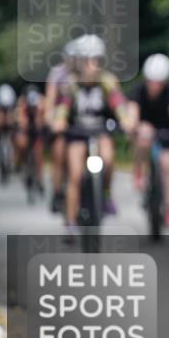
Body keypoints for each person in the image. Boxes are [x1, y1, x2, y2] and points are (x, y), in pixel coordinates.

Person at [51, 34, 134, 235]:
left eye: (96, 60)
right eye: (88, 60)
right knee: (76, 174)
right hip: (77, 133)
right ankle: (71, 221)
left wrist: (125, 120)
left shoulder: (107, 81)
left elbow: (118, 103)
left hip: (100, 130)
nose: (92, 65)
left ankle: (105, 194)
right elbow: (63, 107)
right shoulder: (70, 83)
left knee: (109, 158)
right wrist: (59, 122)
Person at [129, 53, 169, 230]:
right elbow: (133, 113)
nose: (155, 86)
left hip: (164, 132)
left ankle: (168, 207)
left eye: (159, 82)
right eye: (152, 82)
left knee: (168, 164)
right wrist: (134, 127)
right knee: (143, 138)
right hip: (144, 130)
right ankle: (139, 171)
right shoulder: (138, 91)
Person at [45, 40, 78, 213]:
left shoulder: (85, 75)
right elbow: (50, 98)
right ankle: (57, 192)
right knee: (58, 152)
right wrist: (50, 118)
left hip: (80, 122)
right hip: (60, 120)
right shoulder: (57, 73)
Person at [15, 84, 45, 194]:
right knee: (21, 142)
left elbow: (43, 121)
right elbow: (21, 122)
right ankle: (21, 164)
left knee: (39, 154)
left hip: (37, 130)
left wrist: (39, 120)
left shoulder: (42, 103)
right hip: (27, 129)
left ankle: (40, 180)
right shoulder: (22, 104)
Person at [0, 83, 18, 182]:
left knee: (16, 136)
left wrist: (11, 122)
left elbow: (15, 119)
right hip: (0, 123)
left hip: (11, 124)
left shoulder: (13, 104)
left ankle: (14, 159)